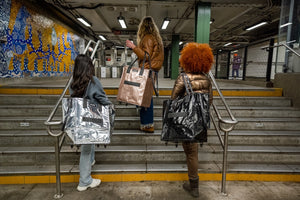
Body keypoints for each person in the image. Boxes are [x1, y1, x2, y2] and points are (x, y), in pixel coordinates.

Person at [171, 43, 213, 198]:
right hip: (199, 120)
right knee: (193, 152)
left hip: (185, 121)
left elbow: (173, 100)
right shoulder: (207, 80)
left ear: (186, 60)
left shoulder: (183, 78)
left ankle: (193, 186)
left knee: (190, 153)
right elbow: (209, 102)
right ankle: (193, 184)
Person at [70, 54, 112, 192]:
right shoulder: (93, 81)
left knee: (88, 143)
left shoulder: (73, 83)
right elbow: (102, 98)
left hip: (79, 119)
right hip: (91, 119)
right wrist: (111, 106)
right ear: (89, 67)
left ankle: (91, 162)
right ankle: (84, 181)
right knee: (87, 149)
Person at [125, 16, 164, 133]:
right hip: (152, 71)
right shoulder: (157, 39)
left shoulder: (148, 38)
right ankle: (145, 123)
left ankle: (148, 124)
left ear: (142, 27)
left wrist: (133, 47)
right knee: (144, 97)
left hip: (148, 71)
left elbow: (146, 56)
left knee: (145, 98)